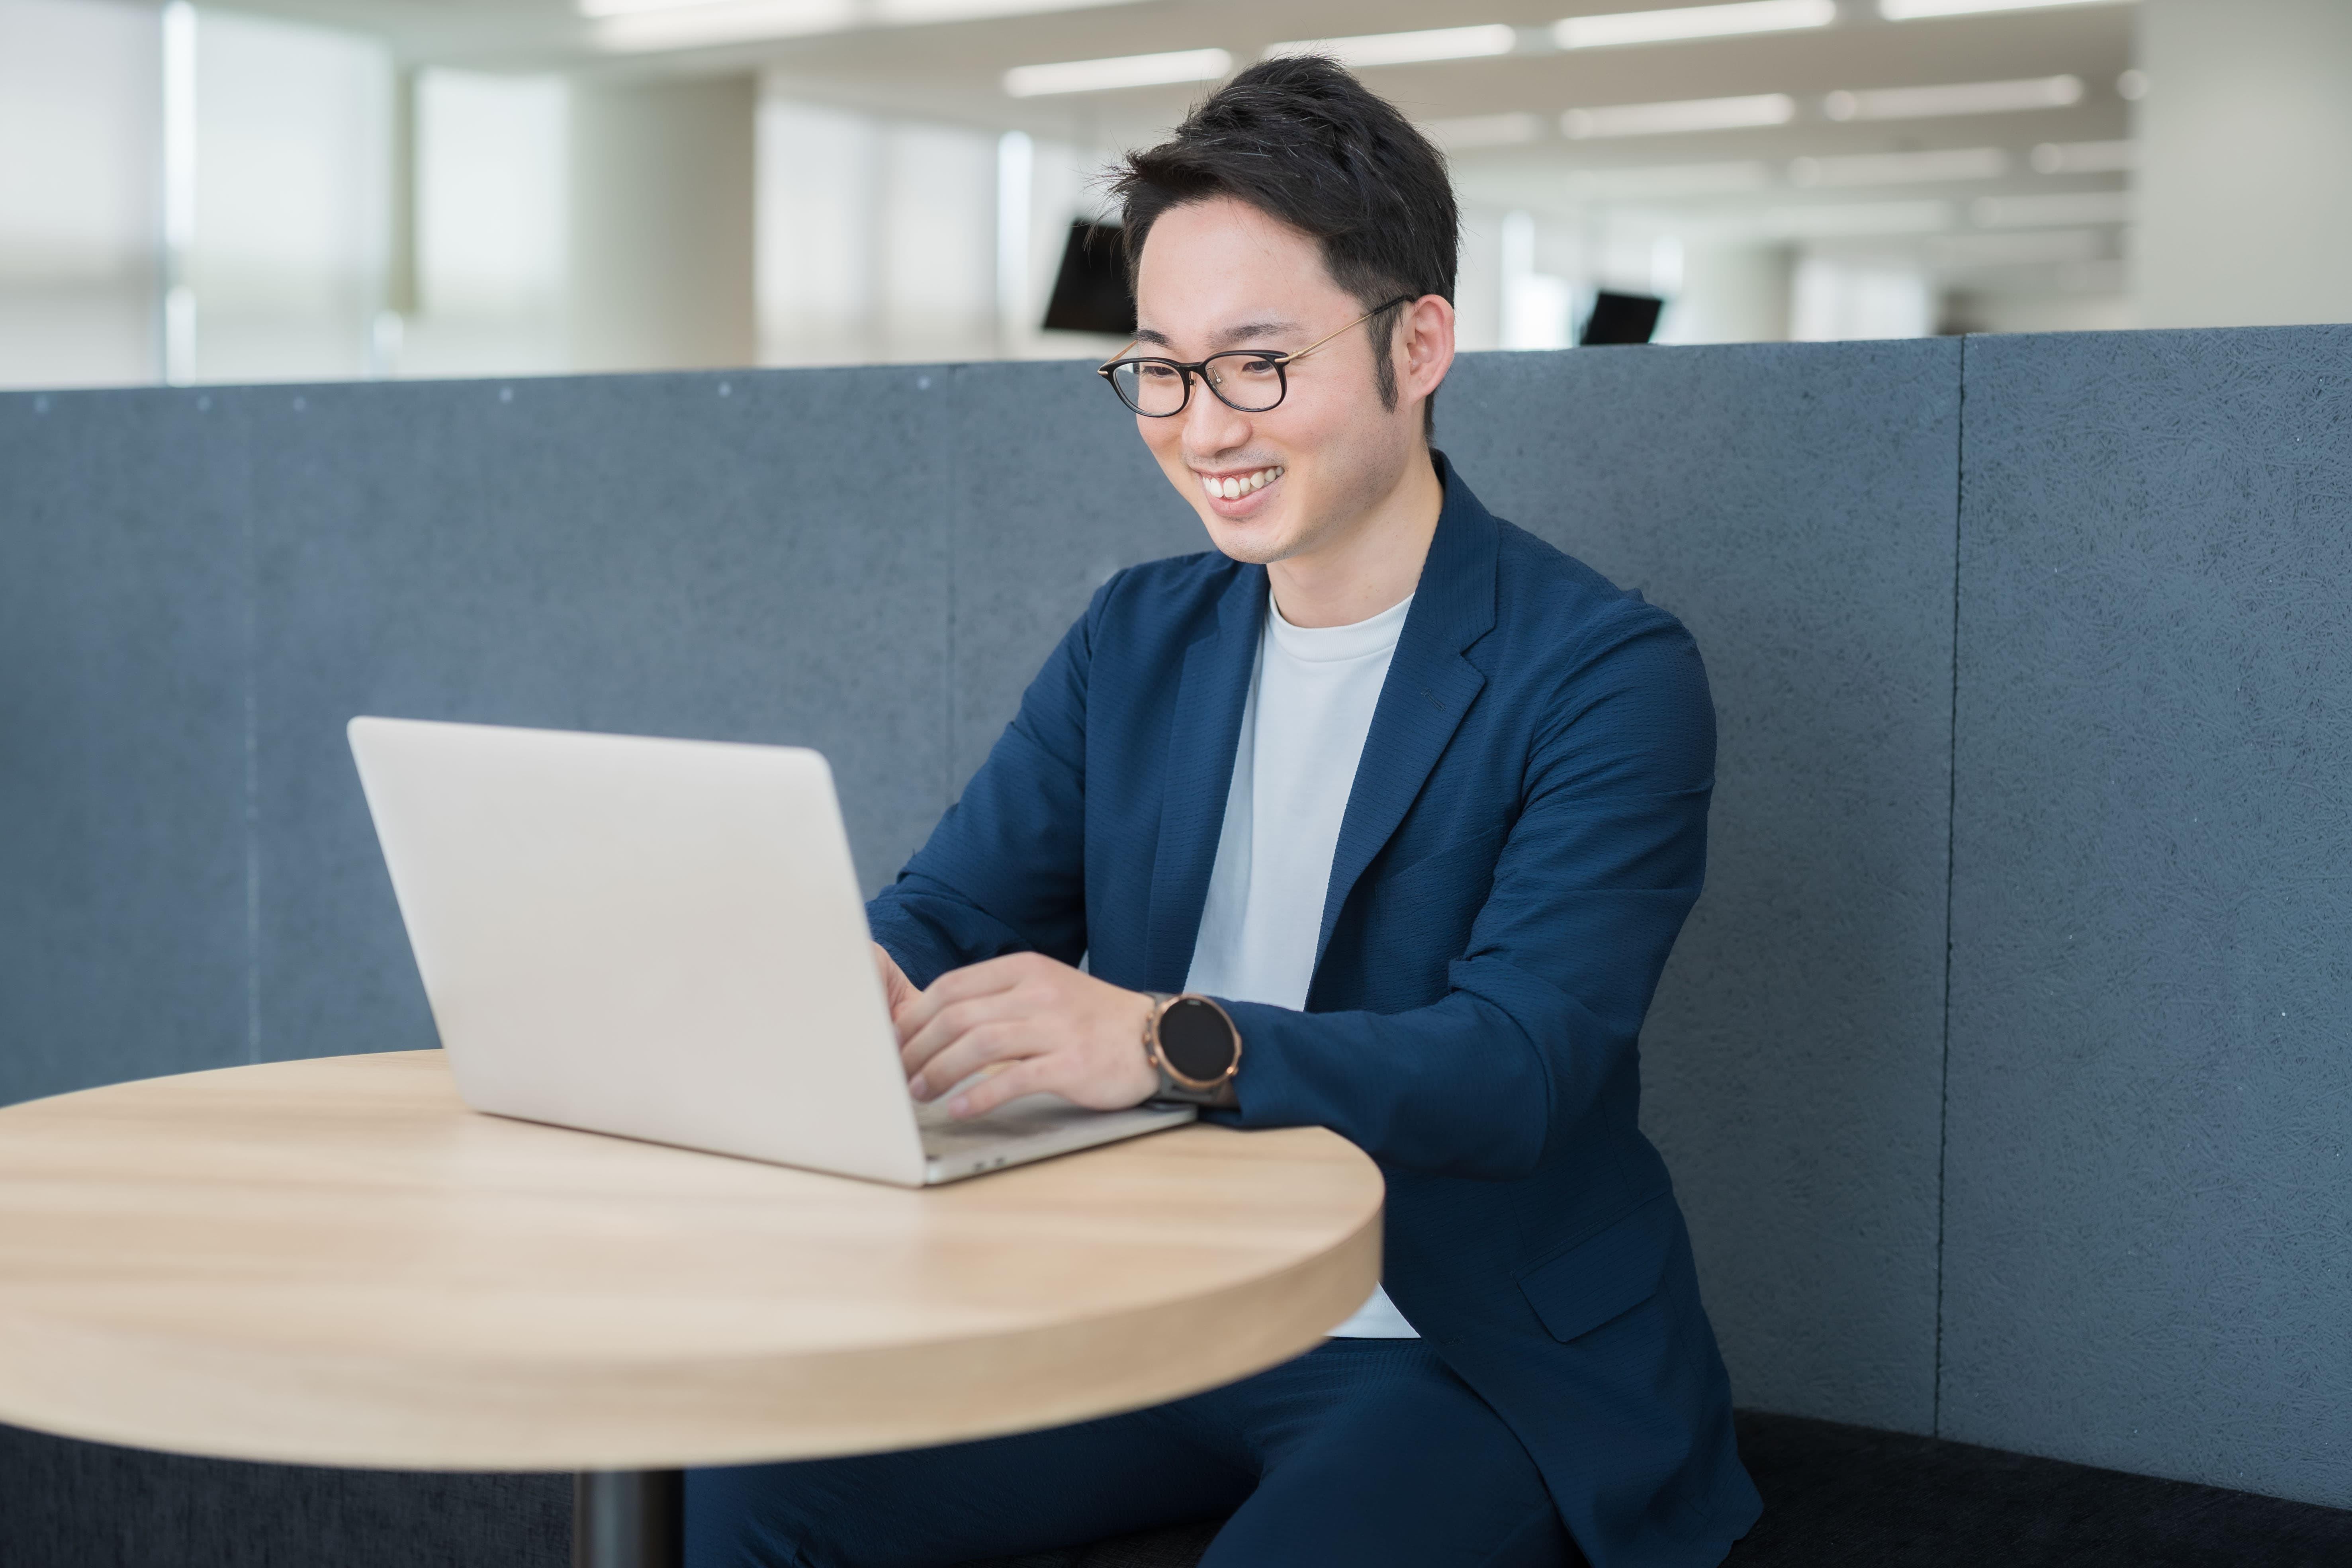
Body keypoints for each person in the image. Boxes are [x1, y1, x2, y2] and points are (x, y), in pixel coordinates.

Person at [687, 54, 1761, 1568]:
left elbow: (1519, 1067)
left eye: (1257, 363)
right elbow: (952, 911)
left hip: (1456, 1344)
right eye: (1162, 368)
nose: (1200, 427)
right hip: (1159, 1298)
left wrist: (1157, 1038)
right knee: (744, 1489)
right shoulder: (1137, 635)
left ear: (1418, 344)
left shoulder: (1603, 670)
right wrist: (844, 976)